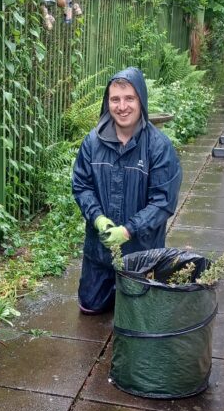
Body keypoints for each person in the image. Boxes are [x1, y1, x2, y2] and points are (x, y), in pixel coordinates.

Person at [72, 66, 182, 313]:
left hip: (141, 250)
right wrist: (97, 218)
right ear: (107, 102)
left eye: (129, 98)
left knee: (138, 315)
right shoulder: (92, 142)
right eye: (115, 99)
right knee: (90, 307)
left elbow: (162, 201)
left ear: (141, 100)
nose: (122, 107)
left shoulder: (158, 147)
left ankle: (134, 285)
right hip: (100, 251)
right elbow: (82, 185)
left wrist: (129, 230)